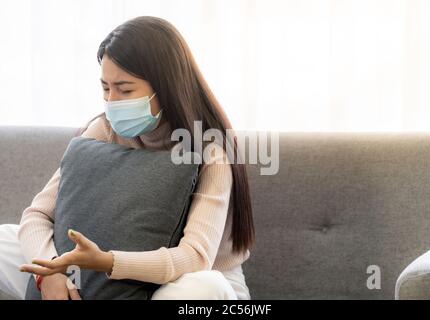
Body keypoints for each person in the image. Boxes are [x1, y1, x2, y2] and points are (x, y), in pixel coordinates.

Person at [0, 16, 254, 300]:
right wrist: (48, 272)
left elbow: (195, 257)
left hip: (184, 280)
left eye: (126, 89)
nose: (112, 102)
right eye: (106, 88)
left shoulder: (210, 149)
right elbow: (36, 215)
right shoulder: (103, 130)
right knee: (3, 240)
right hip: (94, 266)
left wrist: (109, 262)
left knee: (203, 286)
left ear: (166, 85)